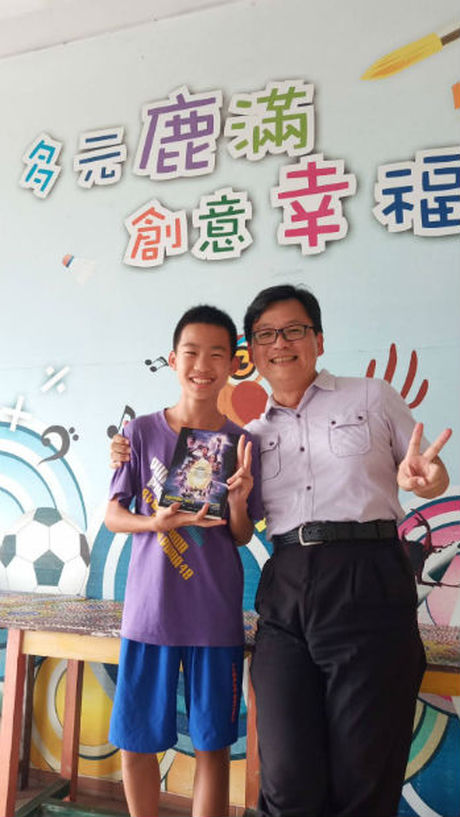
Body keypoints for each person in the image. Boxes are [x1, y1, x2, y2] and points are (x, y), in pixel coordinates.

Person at [110, 285, 451, 817]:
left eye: (294, 331)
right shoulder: (248, 436)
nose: (280, 343)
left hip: (367, 576)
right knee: (287, 776)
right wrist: (133, 460)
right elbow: (238, 526)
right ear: (253, 354)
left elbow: (425, 470)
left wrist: (429, 480)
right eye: (266, 335)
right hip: (286, 585)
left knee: (363, 772)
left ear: (318, 340)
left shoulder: (371, 397)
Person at [105, 305, 262, 817]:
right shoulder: (139, 433)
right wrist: (154, 524)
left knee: (212, 745)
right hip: (148, 615)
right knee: (136, 741)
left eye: (217, 354)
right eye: (192, 352)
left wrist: (238, 502)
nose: (203, 364)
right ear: (173, 360)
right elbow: (113, 516)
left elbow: (241, 535)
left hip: (214, 618)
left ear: (233, 364)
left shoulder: (242, 443)